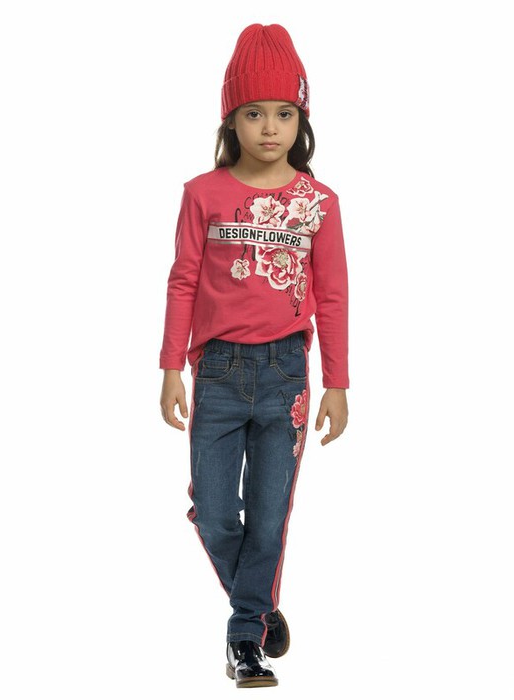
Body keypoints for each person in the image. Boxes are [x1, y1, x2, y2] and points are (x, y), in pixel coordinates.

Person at [159, 23, 349, 688]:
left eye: (284, 113)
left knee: (270, 518)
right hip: (216, 373)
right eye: (253, 113)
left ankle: (245, 639)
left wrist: (337, 382)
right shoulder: (203, 195)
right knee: (216, 513)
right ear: (230, 119)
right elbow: (183, 282)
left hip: (285, 376)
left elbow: (332, 295)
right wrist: (170, 367)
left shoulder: (317, 204)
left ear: (301, 119)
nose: (269, 128)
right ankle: (261, 602)